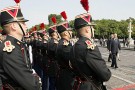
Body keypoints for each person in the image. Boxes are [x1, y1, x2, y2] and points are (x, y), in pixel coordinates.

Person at [0, 6, 41, 90]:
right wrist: (37, 81)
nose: (26, 26)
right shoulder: (10, 49)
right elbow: (31, 85)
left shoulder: (17, 44)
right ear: (14, 26)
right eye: (23, 23)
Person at [70, 13, 111, 90]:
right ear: (87, 29)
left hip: (78, 85)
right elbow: (106, 75)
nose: (93, 30)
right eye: (92, 27)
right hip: (90, 87)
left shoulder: (74, 46)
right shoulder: (89, 47)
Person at [56, 21, 74, 90]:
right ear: (66, 33)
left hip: (63, 75)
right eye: (70, 31)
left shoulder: (62, 43)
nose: (71, 32)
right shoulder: (64, 46)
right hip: (67, 77)